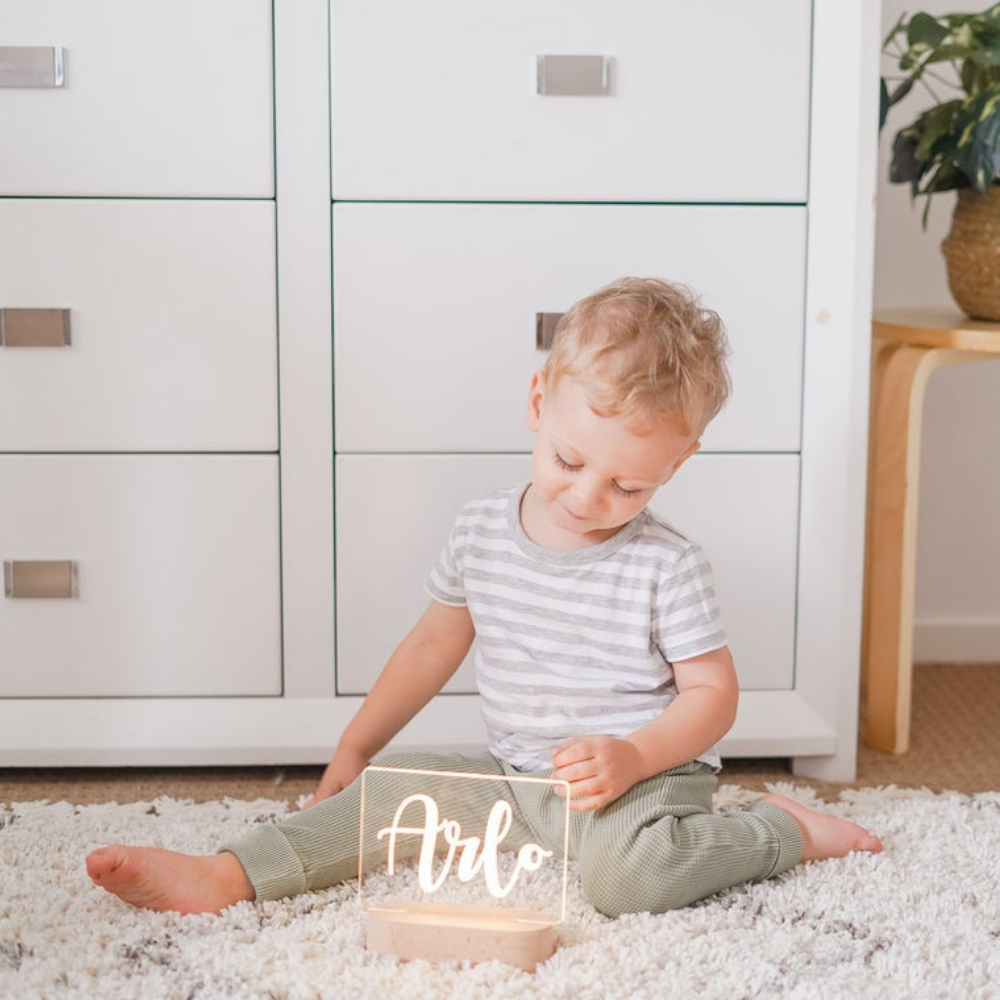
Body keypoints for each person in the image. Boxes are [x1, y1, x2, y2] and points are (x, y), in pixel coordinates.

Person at [86, 277, 882, 917]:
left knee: (626, 881)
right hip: (515, 776)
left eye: (627, 485)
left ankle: (780, 829)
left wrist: (636, 756)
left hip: (641, 780)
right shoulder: (481, 532)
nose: (588, 497)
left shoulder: (666, 565)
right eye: (569, 460)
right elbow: (430, 647)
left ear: (676, 465)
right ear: (539, 404)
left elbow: (713, 694)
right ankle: (226, 875)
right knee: (389, 792)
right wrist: (357, 746)